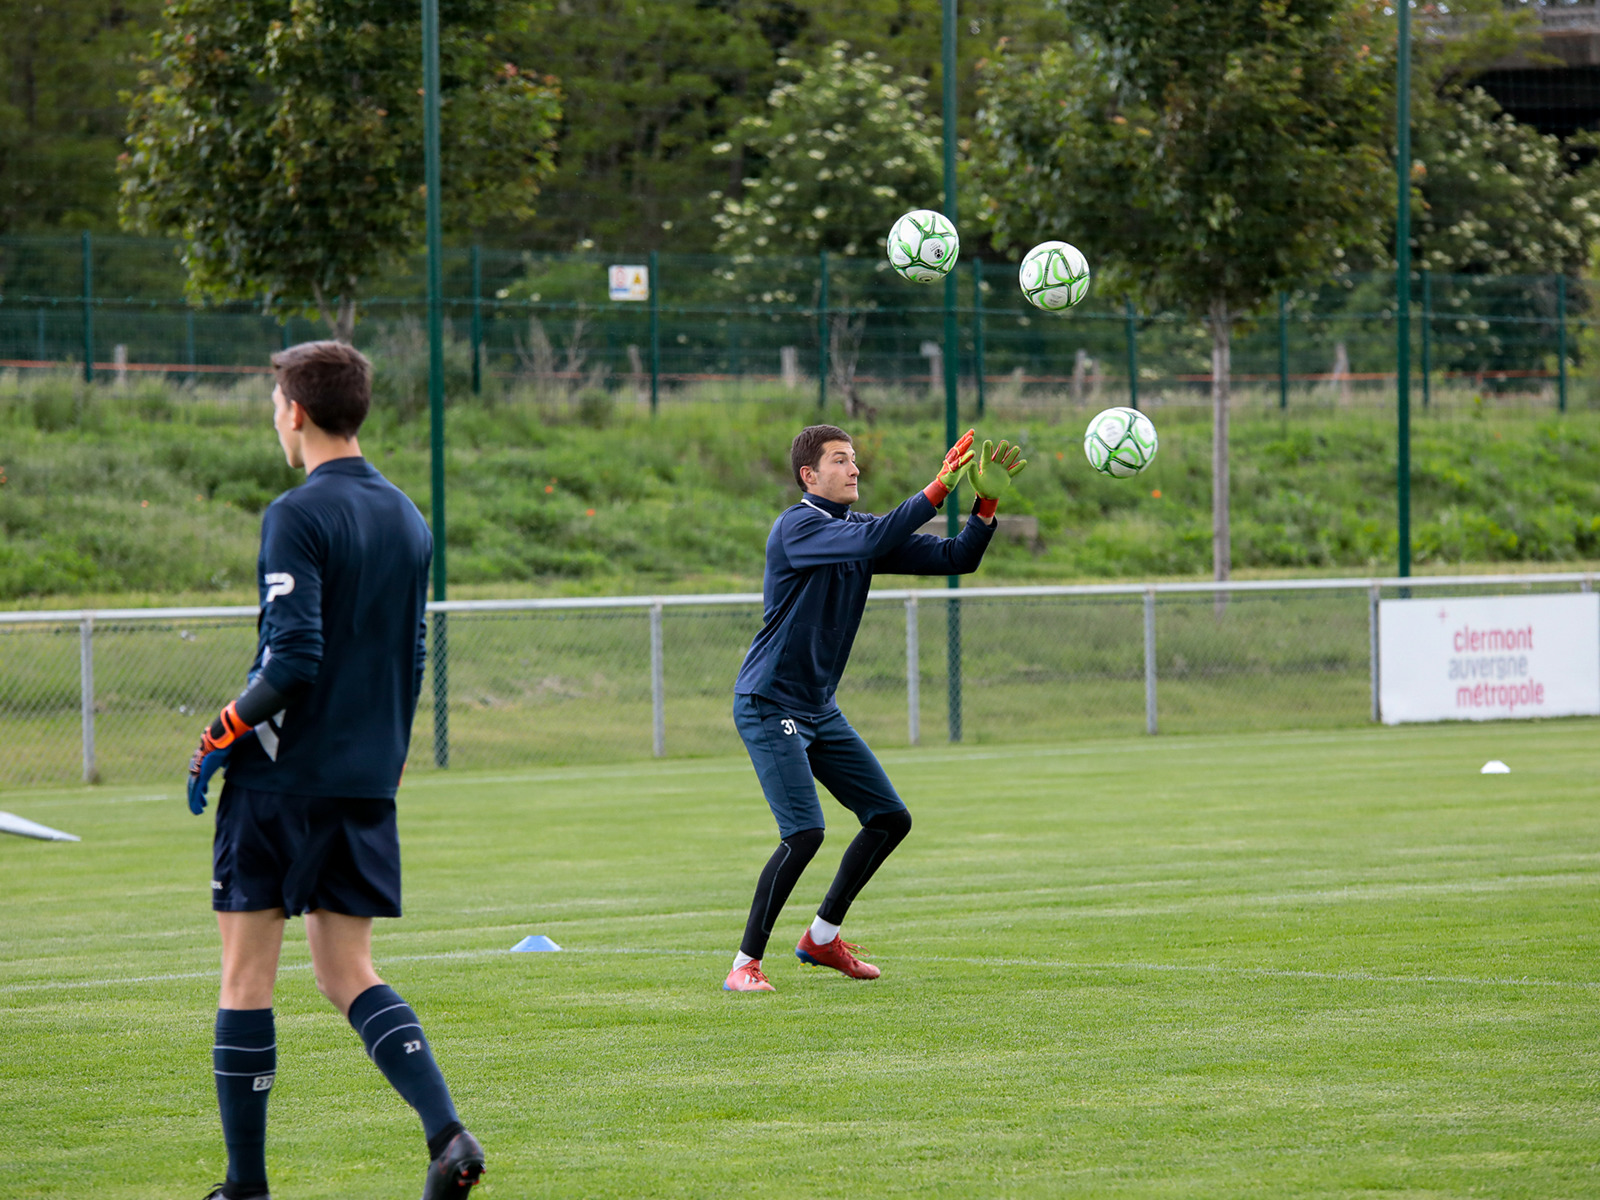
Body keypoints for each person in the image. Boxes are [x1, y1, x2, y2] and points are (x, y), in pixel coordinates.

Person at [184, 341, 484, 1199]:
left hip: (281, 783)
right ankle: (447, 1137)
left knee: (247, 976)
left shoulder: (296, 512)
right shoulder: (407, 516)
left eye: (275, 405)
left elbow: (294, 659)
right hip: (363, 781)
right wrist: (387, 754)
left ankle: (245, 1187)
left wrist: (221, 731)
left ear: (296, 411)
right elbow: (414, 653)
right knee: (347, 971)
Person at [724, 424, 1026, 992]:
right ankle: (744, 965)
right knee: (804, 833)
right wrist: (939, 487)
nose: (854, 468)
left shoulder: (860, 530)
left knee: (889, 819)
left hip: (818, 708)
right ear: (809, 476)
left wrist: (984, 506)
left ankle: (821, 938)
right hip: (769, 701)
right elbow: (873, 540)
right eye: (840, 460)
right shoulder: (797, 526)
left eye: (854, 459)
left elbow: (957, 557)